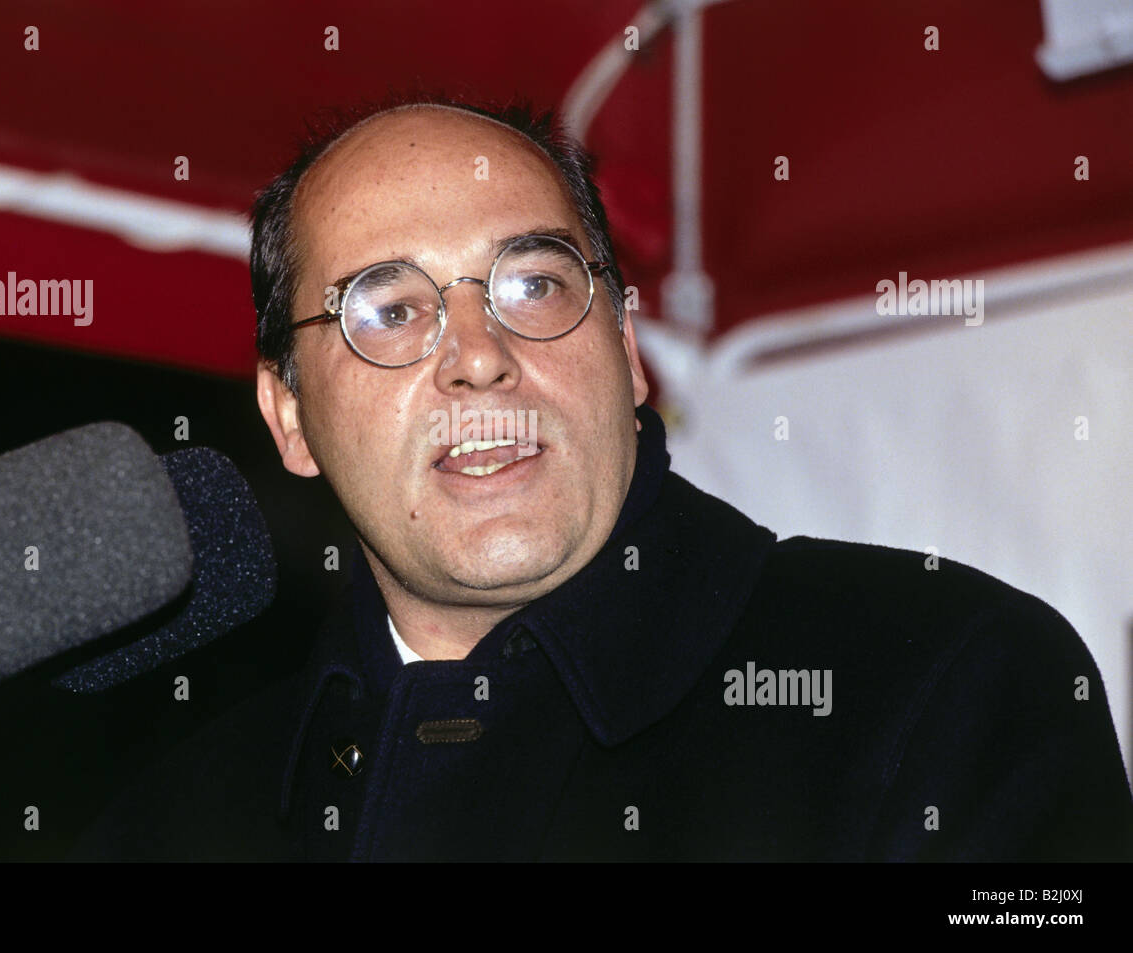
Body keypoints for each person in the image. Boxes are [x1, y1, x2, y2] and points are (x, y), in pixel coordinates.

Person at [76, 96, 1133, 861]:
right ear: (290, 415)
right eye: (388, 310)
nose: (476, 352)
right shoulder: (170, 823)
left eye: (533, 283)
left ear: (626, 352)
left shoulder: (946, 680)